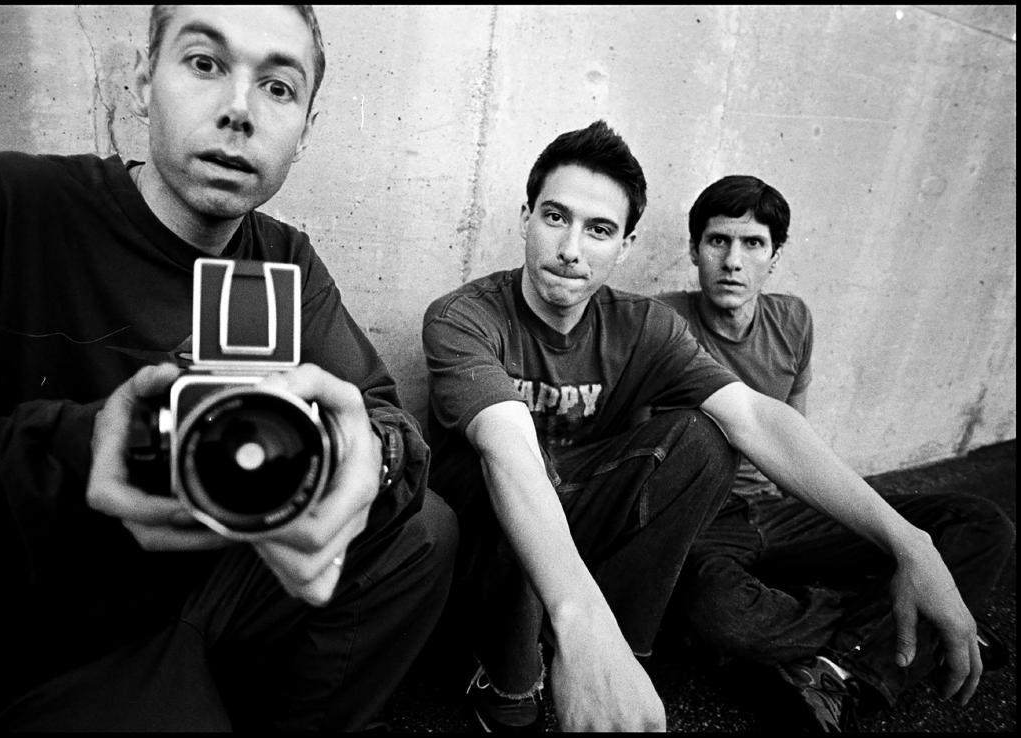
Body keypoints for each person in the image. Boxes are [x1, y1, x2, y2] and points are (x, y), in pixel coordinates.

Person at [0, 5, 456, 731]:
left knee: (425, 526)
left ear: (306, 128)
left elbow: (380, 412)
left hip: (204, 591)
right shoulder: (8, 209)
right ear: (143, 81)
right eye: (205, 64)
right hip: (33, 631)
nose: (239, 111)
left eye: (277, 87)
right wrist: (80, 452)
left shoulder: (286, 262)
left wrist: (371, 454)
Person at [423, 121, 1006, 733]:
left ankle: (623, 655)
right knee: (518, 467)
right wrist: (579, 626)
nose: (572, 248)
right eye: (555, 217)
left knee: (704, 439)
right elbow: (507, 447)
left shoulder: (642, 326)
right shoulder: (465, 317)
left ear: (624, 245)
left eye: (599, 230)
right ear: (525, 217)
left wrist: (909, 542)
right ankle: (511, 677)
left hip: (590, 524)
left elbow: (756, 416)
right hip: (493, 541)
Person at [657, 174, 1015, 731]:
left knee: (981, 522)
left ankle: (852, 653)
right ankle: (922, 627)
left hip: (781, 509)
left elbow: (795, 433)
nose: (733, 260)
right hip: (707, 519)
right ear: (694, 250)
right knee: (722, 617)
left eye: (752, 244)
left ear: (775, 254)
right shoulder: (662, 322)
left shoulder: (793, 319)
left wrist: (880, 532)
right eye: (717, 241)